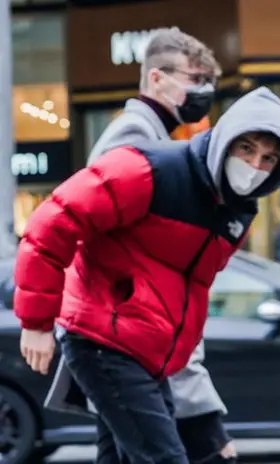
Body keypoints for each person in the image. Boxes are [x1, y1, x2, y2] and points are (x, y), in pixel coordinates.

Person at [14, 86, 280, 464]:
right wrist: (36, 322)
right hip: (103, 337)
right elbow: (52, 221)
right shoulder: (150, 169)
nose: (255, 165)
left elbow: (188, 289)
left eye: (268, 158)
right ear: (224, 141)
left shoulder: (236, 212)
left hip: (149, 354)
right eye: (246, 148)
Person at [45, 27, 240, 464]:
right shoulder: (135, 141)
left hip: (121, 336)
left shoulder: (154, 139)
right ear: (156, 79)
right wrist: (207, 425)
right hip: (117, 334)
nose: (204, 91)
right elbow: (74, 227)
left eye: (208, 81)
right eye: (194, 78)